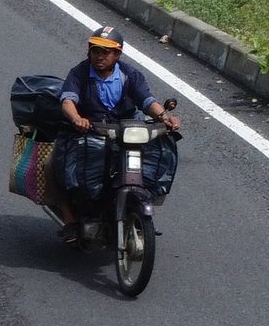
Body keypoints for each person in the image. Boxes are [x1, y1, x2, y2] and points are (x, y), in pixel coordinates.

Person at [54, 26, 181, 242]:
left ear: (117, 54)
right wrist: (76, 118)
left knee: (161, 150)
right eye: (96, 51)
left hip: (124, 133)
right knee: (57, 166)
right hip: (89, 134)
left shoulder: (130, 75)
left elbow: (146, 99)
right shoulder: (79, 73)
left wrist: (163, 117)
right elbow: (67, 101)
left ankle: (134, 210)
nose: (99, 56)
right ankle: (70, 221)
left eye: (106, 52)